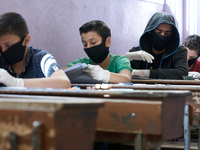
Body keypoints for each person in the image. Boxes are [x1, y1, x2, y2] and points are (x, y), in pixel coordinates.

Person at [0, 12, 71, 88]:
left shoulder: (41, 59)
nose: (3, 50)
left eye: (8, 45)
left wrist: (16, 83)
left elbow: (64, 83)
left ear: (26, 40)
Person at [126, 12, 188, 79]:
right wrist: (127, 57)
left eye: (167, 34)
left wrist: (147, 73)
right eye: (159, 32)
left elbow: (182, 73)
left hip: (168, 89)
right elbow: (120, 72)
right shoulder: (136, 52)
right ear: (150, 31)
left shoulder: (180, 52)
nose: (163, 35)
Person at [67, 20, 132, 83]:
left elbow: (126, 79)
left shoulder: (120, 60)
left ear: (107, 42)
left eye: (93, 42)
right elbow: (61, 74)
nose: (88, 47)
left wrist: (105, 75)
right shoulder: (82, 63)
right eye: (85, 44)